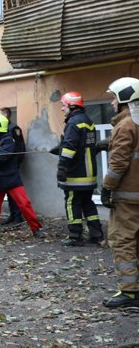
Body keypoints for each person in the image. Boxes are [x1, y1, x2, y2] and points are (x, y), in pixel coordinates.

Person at [101, 77, 139, 308]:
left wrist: (107, 187)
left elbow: (119, 163)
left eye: (114, 98)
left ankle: (130, 293)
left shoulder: (124, 125)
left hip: (127, 197)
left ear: (125, 98)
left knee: (122, 241)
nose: (112, 103)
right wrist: (104, 143)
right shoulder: (135, 122)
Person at [48, 92, 103, 246]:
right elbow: (80, 145)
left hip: (76, 173)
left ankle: (75, 236)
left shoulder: (73, 123)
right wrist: (61, 147)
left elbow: (70, 147)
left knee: (72, 203)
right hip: (89, 173)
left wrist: (62, 166)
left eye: (63, 105)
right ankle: (96, 234)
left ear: (72, 106)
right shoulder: (87, 121)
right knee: (88, 204)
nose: (61, 109)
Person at [0, 107, 27, 226]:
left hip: (12, 165)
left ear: (6, 116)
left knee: (14, 192)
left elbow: (20, 147)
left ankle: (18, 217)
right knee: (8, 192)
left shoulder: (13, 129)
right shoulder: (2, 128)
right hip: (3, 165)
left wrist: (17, 162)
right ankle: (13, 215)